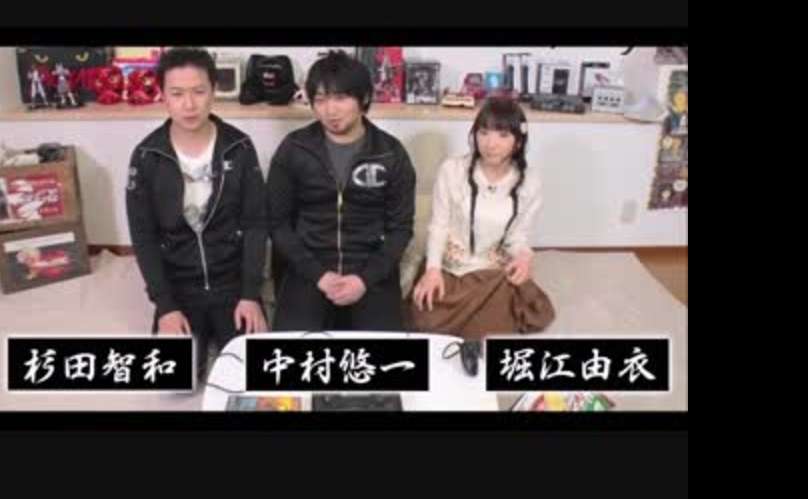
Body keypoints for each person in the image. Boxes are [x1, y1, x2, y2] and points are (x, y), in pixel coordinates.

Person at [126, 47, 268, 376]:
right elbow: (143, 237)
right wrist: (165, 306)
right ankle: (201, 335)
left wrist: (250, 294)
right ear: (163, 96)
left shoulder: (240, 146)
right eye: (177, 93)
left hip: (232, 281)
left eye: (199, 92)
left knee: (252, 372)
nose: (189, 104)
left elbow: (256, 224)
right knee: (174, 380)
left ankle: (221, 330)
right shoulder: (146, 155)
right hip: (179, 284)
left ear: (213, 91)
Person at [267, 50, 416, 331]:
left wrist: (364, 279)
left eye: (340, 98)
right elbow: (277, 224)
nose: (330, 110)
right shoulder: (294, 149)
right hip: (308, 269)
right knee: (290, 351)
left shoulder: (390, 153)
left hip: (371, 271)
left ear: (364, 98)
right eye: (320, 100)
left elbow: (401, 229)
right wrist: (318, 275)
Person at [410, 98, 555, 339]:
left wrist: (524, 255)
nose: (490, 144)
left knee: (489, 332)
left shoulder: (530, 181)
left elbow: (517, 235)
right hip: (451, 267)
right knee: (426, 322)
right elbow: (439, 225)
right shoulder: (452, 170)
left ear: (518, 142)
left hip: (492, 272)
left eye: (503, 135)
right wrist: (432, 269)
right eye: (483, 132)